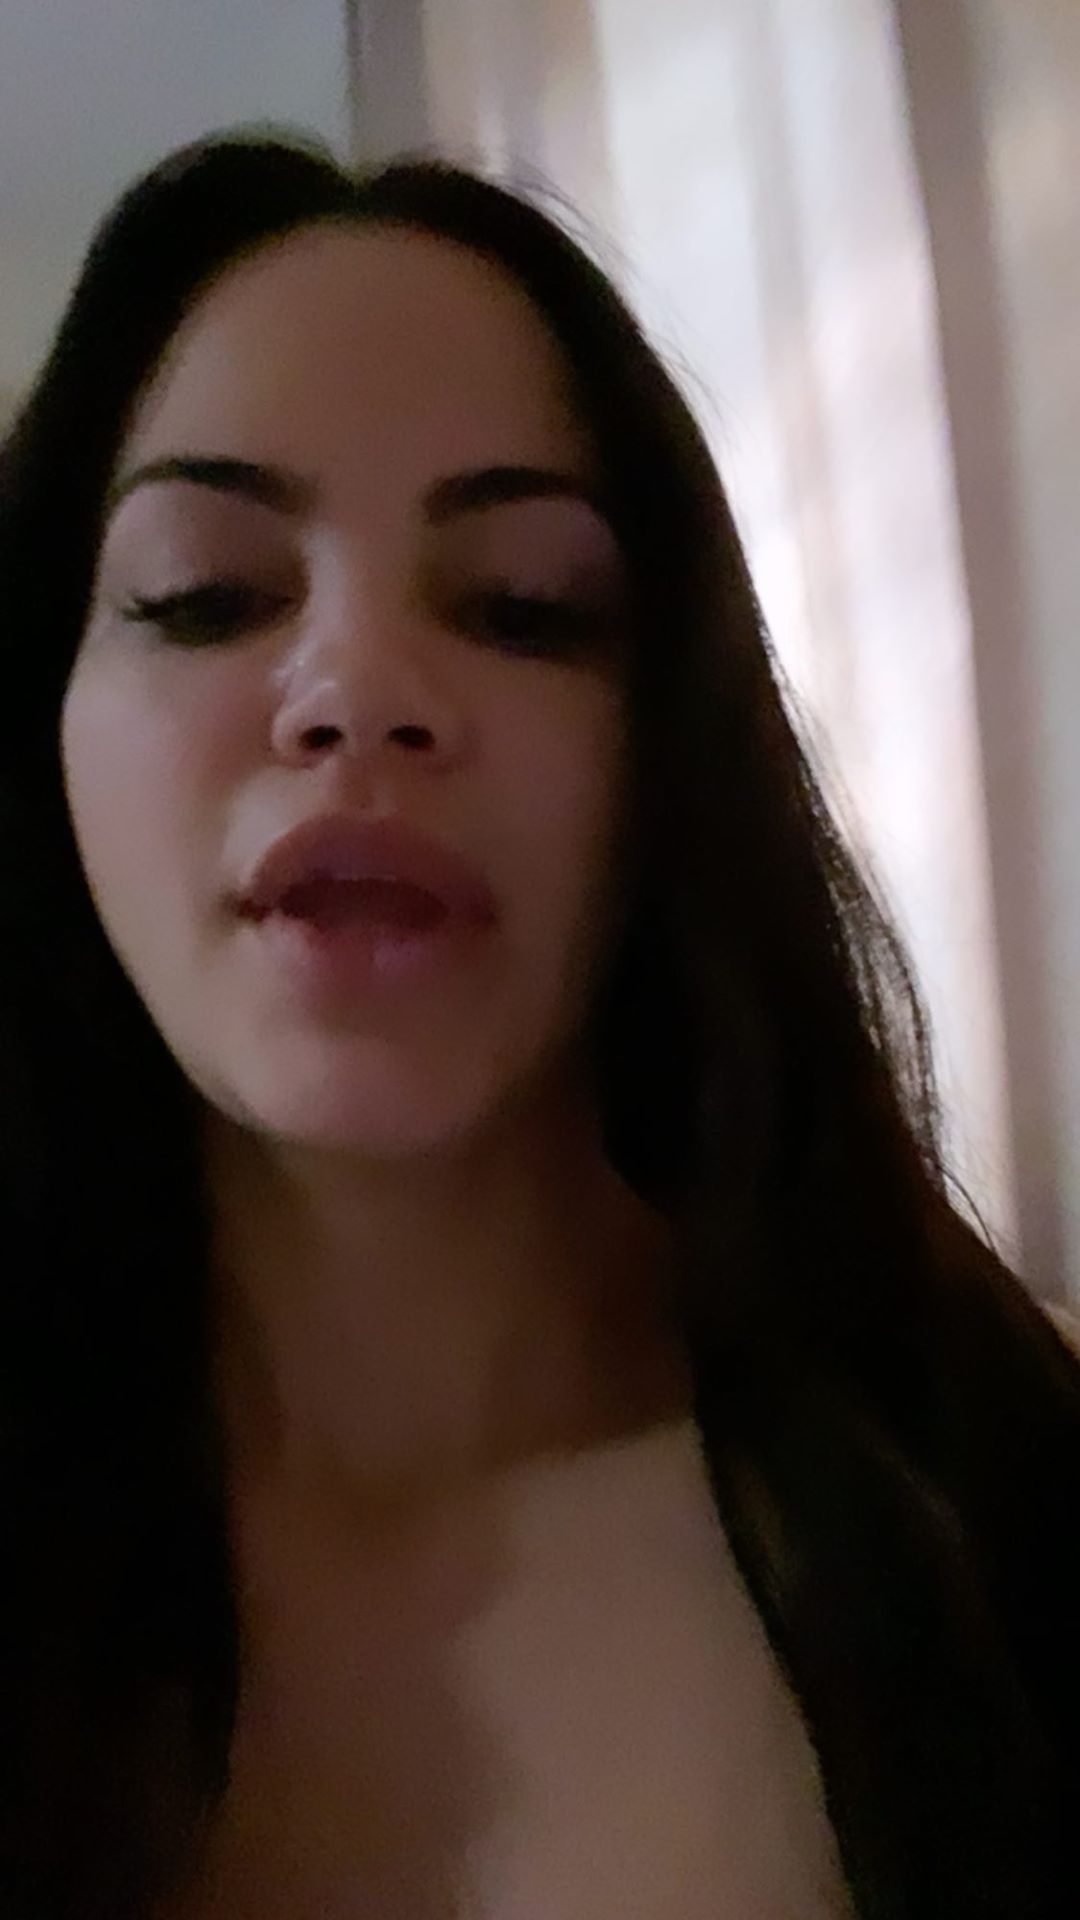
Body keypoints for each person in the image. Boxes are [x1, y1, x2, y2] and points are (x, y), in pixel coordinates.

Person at [1, 125, 1077, 1920]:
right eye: (206, 594)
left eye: (522, 607)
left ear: (669, 758)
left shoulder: (994, 1501)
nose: (355, 689)